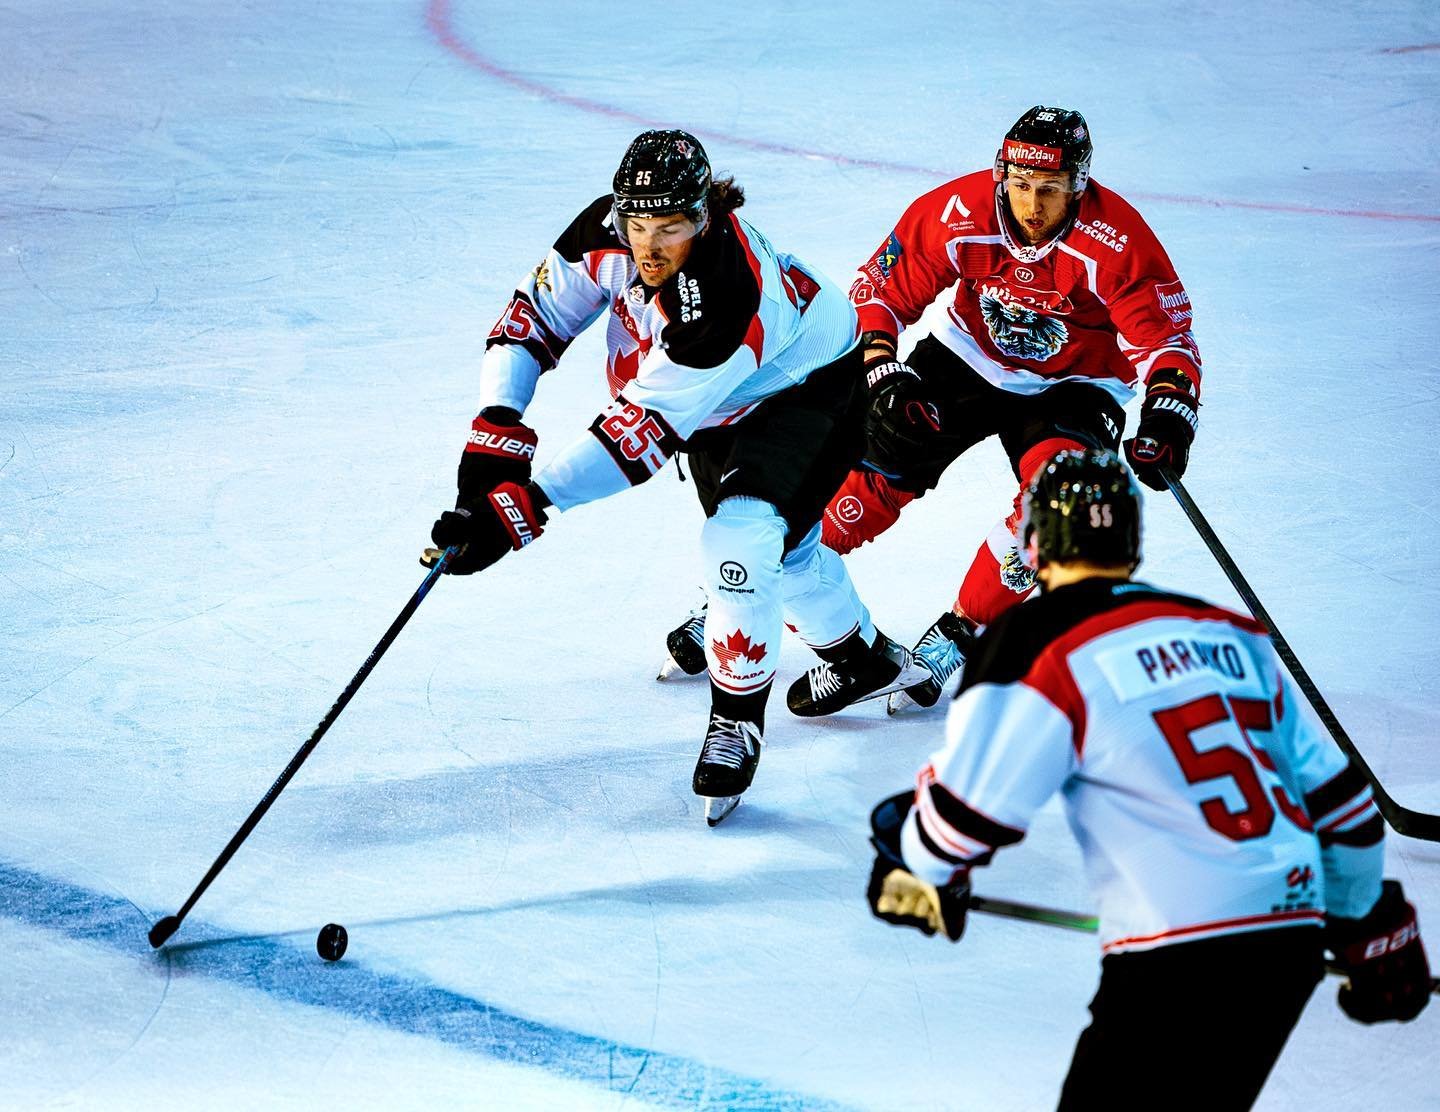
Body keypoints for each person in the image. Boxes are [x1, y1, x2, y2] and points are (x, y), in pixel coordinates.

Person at [865, 448, 1430, 1110]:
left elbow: (963, 821)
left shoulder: (1036, 638)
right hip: (1289, 945)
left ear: (1035, 543)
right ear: (1130, 538)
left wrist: (919, 865)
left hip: (1174, 956)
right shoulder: (1227, 632)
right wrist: (1368, 926)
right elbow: (1343, 809)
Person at [428, 129, 928, 826]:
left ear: (707, 213)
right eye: (638, 225)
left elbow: (639, 438)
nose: (650, 246)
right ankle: (860, 660)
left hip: (812, 387)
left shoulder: (721, 291)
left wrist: (520, 510)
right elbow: (532, 319)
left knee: (739, 540)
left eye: (672, 227)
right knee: (786, 551)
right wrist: (495, 430)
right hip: (727, 401)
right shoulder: (603, 229)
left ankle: (736, 722)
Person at [804, 105, 1204, 714]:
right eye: (1020, 186)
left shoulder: (1116, 240)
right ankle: (754, 588)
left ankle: (956, 637)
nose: (1032, 206)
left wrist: (1170, 412)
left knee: (1055, 503)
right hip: (969, 355)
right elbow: (877, 290)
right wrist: (883, 366)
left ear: (1079, 184)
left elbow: (1167, 342)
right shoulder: (957, 212)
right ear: (1002, 177)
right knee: (880, 457)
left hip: (1079, 382)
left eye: (1049, 189)